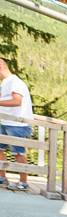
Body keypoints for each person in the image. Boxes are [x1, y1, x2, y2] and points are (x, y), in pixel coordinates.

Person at [0, 58, 34, 191]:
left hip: (17, 124)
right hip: (4, 121)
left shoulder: (14, 81)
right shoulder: (5, 83)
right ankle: (2, 178)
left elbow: (16, 101)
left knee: (18, 153)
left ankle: (23, 182)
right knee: (0, 150)